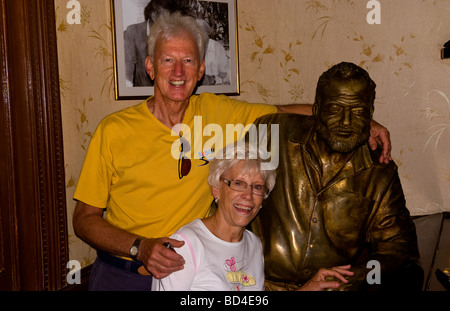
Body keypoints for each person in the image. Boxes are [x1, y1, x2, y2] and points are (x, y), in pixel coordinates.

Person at [72, 12, 391, 291]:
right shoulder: (112, 130)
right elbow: (84, 219)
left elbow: (282, 110)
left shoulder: (218, 112)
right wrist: (140, 247)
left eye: (188, 61)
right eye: (168, 59)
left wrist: (364, 122)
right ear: (151, 67)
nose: (179, 72)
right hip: (124, 275)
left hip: (197, 275)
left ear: (201, 70)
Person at [248, 62, 422, 291]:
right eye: (335, 109)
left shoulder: (379, 171)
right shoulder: (271, 134)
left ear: (370, 114)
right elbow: (225, 196)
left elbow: (400, 250)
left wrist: (360, 276)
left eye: (358, 112)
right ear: (316, 109)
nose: (346, 122)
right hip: (256, 285)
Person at [152, 142, 354, 291]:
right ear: (216, 190)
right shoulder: (186, 244)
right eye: (238, 183)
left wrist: (307, 288)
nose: (248, 196)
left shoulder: (253, 244)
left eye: (257, 187)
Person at [124, 0, 178, 87]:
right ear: (153, 15)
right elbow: (127, 69)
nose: (170, 22)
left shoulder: (172, 33)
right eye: (166, 17)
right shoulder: (133, 32)